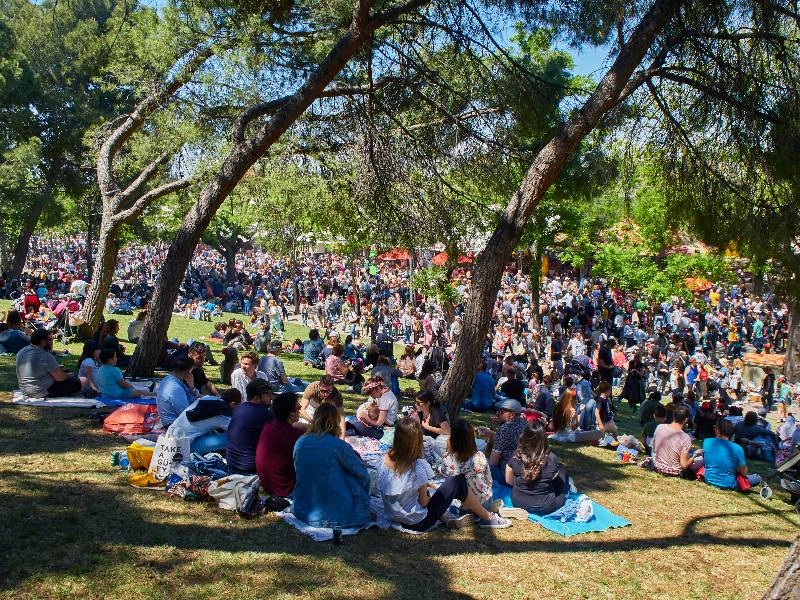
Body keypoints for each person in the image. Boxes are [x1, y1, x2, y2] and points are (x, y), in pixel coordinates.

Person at [375, 417, 511, 531]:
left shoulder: (383, 459)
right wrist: (439, 496)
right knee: (457, 482)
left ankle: (452, 516)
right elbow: (424, 502)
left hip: (393, 513)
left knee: (440, 487)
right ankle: (487, 518)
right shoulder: (418, 466)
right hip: (418, 522)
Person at [293, 403, 372, 528]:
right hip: (331, 515)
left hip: (301, 508)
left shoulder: (300, 442)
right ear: (334, 422)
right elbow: (362, 475)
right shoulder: (339, 446)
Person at [505, 420, 570, 516]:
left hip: (518, 502)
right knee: (562, 469)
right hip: (545, 506)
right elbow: (553, 479)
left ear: (524, 437)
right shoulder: (552, 458)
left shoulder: (515, 457)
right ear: (544, 438)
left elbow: (508, 481)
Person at [255, 392, 305, 498]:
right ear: (291, 415)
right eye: (297, 407)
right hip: (285, 490)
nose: (300, 407)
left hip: (268, 485)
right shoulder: (294, 435)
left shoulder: (268, 426)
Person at [442, 419, 495, 510]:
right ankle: (480, 514)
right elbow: (489, 480)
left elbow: (444, 477)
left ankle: (467, 513)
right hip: (486, 501)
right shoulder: (480, 455)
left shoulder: (449, 459)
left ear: (452, 438)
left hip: (465, 505)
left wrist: (448, 450)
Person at [16, 328, 85, 398]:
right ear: (42, 342)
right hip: (41, 392)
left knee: (66, 372)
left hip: (25, 389)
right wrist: (69, 375)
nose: (52, 342)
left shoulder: (22, 351)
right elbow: (60, 378)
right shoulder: (45, 355)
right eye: (50, 340)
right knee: (83, 380)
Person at [226, 378, 276, 474]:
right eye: (268, 394)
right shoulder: (264, 413)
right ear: (257, 398)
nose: (271, 397)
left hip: (232, 463)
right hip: (249, 468)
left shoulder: (239, 408)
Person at [700, 417, 762, 489]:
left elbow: (705, 459)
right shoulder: (738, 448)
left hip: (708, 479)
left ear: (717, 430)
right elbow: (743, 472)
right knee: (757, 478)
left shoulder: (707, 441)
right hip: (728, 484)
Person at [478, 398, 528, 482]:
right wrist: (493, 433)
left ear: (511, 415)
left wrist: (492, 436)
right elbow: (508, 440)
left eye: (501, 411)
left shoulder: (504, 430)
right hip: (524, 473)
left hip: (508, 475)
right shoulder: (524, 424)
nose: (497, 414)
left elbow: (493, 462)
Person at [652, 404, 697, 478]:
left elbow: (654, 449)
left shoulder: (660, 427)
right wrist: (694, 456)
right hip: (674, 471)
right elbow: (684, 465)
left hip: (657, 465)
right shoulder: (685, 437)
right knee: (698, 458)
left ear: (674, 416)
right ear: (686, 419)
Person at [156, 355, 196, 427]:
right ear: (188, 372)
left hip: (174, 421)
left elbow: (192, 397)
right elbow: (186, 415)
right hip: (175, 426)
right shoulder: (176, 389)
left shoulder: (168, 379)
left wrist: (191, 387)